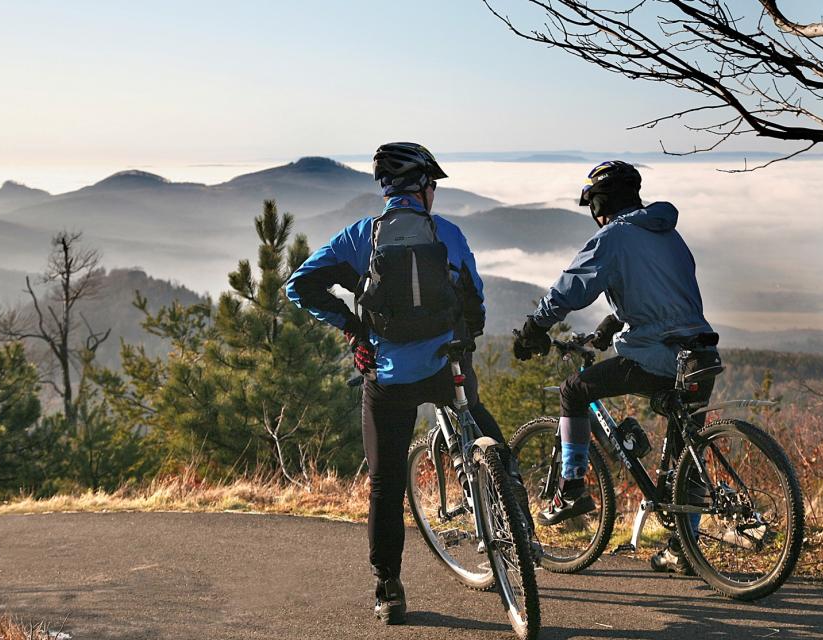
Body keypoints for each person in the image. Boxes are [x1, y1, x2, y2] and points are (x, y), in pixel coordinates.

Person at [285, 142, 518, 624]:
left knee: (385, 485)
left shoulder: (358, 237)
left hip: (388, 377)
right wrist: (462, 340)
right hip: (443, 369)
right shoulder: (449, 234)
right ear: (424, 188)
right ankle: (516, 515)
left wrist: (353, 328)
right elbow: (474, 301)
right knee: (481, 427)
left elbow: (299, 286)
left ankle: (389, 589)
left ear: (388, 191)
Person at [512, 160, 719, 573]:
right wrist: (612, 323)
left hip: (658, 355)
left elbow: (570, 288)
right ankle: (685, 550)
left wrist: (534, 327)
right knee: (683, 453)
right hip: (699, 354)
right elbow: (661, 294)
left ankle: (572, 488)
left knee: (574, 390)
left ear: (599, 204)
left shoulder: (613, 236)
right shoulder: (667, 232)